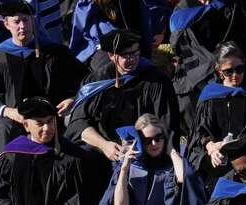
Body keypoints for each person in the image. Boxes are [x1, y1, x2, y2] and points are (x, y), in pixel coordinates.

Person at [0, 0, 86, 156]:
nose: (22, 26)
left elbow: (86, 80)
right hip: (13, 120)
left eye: (26, 20)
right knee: (0, 129)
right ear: (6, 24)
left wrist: (73, 98)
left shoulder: (55, 52)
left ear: (33, 20)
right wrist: (7, 111)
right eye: (16, 22)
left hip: (50, 118)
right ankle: (7, 174)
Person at [67, 29, 181, 165]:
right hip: (104, 152)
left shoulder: (156, 81)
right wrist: (104, 145)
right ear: (111, 55)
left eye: (135, 53)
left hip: (144, 151)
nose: (132, 59)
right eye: (126, 55)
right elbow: (79, 122)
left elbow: (166, 125)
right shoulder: (96, 81)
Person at [187, 42, 246, 189]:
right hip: (215, 163)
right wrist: (210, 146)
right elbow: (200, 131)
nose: (235, 75)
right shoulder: (210, 94)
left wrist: (227, 146)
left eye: (239, 69)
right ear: (219, 71)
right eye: (229, 71)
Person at [170, 0, 246, 125]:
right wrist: (210, 63)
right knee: (187, 99)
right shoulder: (183, 10)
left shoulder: (230, 2)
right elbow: (182, 47)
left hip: (227, 61)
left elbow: (240, 36)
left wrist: (223, 59)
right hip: (195, 67)